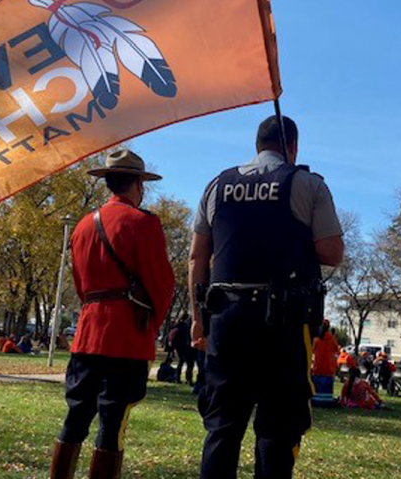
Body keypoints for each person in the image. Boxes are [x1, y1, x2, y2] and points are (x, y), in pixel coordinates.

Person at [189, 116, 344, 478]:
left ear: (257, 145)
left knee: (222, 427)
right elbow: (332, 253)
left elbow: (198, 257)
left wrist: (199, 318)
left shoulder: (217, 185)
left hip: (226, 318)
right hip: (283, 325)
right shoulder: (307, 185)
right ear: (293, 147)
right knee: (278, 429)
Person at [50, 150, 175, 479]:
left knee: (75, 417)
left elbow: (80, 286)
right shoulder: (143, 223)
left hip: (88, 332)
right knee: (113, 423)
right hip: (126, 338)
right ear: (137, 184)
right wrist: (150, 324)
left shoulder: (81, 226)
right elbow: (161, 284)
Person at [312, 319, 340, 406]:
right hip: (329, 369)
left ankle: (317, 401)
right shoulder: (332, 339)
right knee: (327, 390)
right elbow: (337, 350)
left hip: (318, 368)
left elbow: (312, 351)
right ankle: (326, 401)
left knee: (317, 388)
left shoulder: (316, 339)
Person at [170, 315, 196, 385]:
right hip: (186, 348)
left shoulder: (176, 327)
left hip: (179, 349)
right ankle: (188, 379)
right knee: (190, 364)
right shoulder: (187, 327)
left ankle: (177, 378)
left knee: (180, 363)